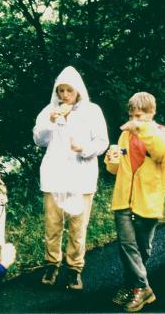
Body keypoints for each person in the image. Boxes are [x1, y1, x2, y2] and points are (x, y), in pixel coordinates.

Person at [33, 66, 109, 289]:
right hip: (54, 175)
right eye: (61, 90)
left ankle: (75, 268)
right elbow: (39, 139)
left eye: (69, 90)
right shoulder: (49, 110)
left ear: (78, 91)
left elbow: (102, 142)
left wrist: (84, 147)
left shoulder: (92, 111)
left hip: (81, 176)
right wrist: (51, 121)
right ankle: (51, 263)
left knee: (78, 226)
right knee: (53, 223)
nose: (65, 95)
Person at [105, 92, 165, 312]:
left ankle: (131, 285)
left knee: (142, 249)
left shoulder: (164, 134)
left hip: (148, 201)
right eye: (131, 115)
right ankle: (142, 289)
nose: (134, 120)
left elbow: (163, 158)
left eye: (139, 116)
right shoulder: (124, 136)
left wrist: (142, 129)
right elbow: (115, 170)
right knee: (128, 247)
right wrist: (111, 159)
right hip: (123, 200)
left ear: (151, 113)